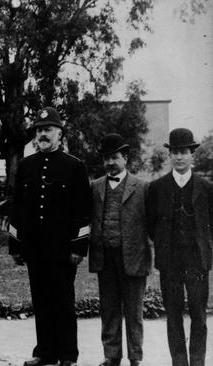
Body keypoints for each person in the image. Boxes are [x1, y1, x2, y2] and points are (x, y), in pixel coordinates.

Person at [8, 107, 91, 366]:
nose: (43, 134)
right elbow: (17, 207)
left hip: (63, 249)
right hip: (35, 247)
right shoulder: (25, 166)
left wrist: (79, 246)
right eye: (39, 130)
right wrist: (16, 245)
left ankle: (68, 355)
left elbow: (83, 210)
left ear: (60, 134)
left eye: (48, 129)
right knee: (41, 300)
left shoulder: (74, 166)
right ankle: (45, 352)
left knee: (63, 301)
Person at [147, 128, 212, 366]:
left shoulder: (206, 188)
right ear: (170, 155)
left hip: (197, 261)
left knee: (199, 315)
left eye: (184, 152)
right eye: (175, 152)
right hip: (170, 261)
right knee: (173, 316)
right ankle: (179, 362)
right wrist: (165, 246)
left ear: (192, 154)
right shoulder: (157, 188)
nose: (179, 157)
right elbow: (152, 225)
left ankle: (197, 361)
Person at [89, 133, 151, 366]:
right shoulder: (95, 187)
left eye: (114, 158)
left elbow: (152, 224)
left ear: (125, 158)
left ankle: (135, 356)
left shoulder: (143, 187)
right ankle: (111, 355)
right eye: (106, 159)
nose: (110, 163)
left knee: (134, 311)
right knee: (109, 309)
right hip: (105, 257)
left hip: (134, 258)